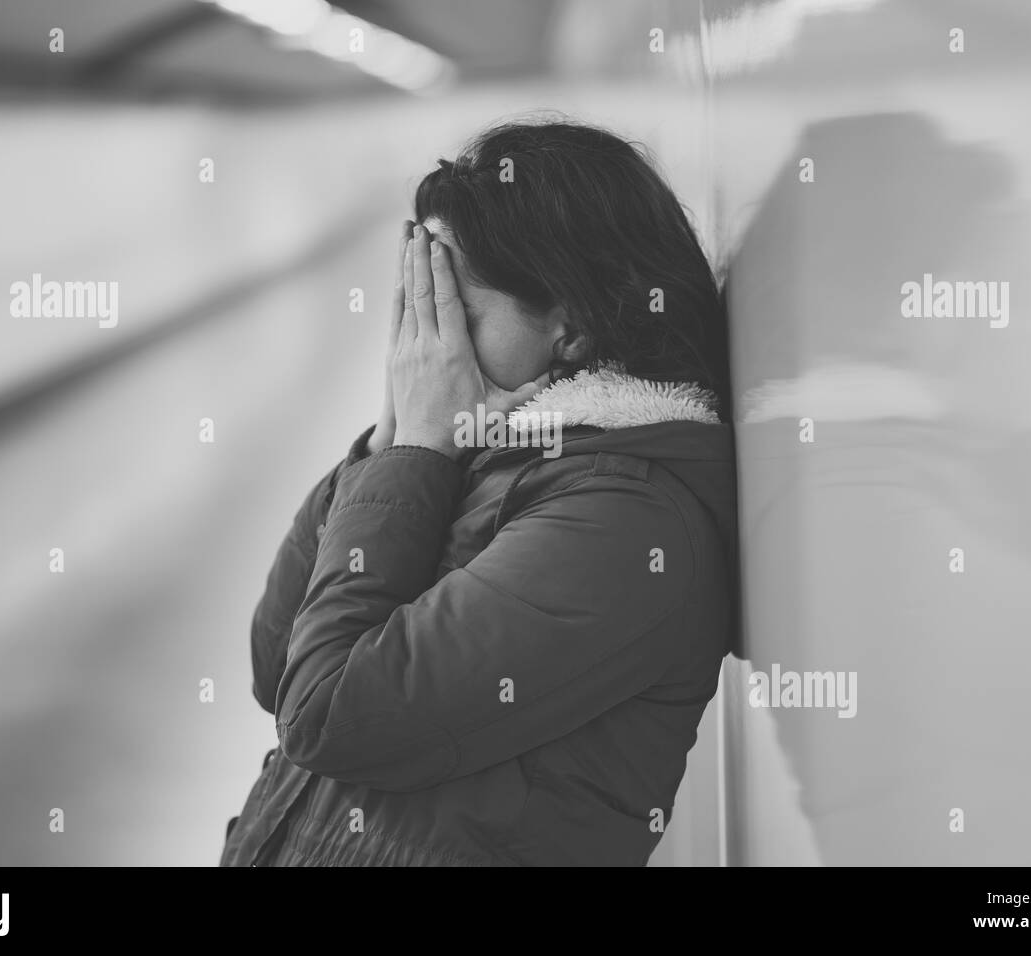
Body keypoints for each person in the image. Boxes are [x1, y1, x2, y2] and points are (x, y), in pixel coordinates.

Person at [219, 118, 740, 866]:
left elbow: (327, 713)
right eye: (417, 312)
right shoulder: (484, 446)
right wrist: (387, 445)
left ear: (574, 328)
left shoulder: (626, 521)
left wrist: (419, 450)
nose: (429, 347)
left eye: (455, 314)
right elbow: (275, 664)